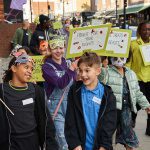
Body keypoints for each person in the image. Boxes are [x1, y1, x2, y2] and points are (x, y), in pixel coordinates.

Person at [0, 53, 58, 150]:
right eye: (26, 67)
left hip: (32, 143)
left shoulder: (36, 91)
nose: (29, 71)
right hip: (11, 144)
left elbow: (46, 121)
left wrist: (51, 145)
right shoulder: (1, 91)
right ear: (14, 68)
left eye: (31, 69)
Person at [65, 52, 117, 150]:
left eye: (87, 70)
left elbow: (110, 123)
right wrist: (75, 144)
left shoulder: (107, 95)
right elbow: (70, 120)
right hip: (79, 147)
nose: (83, 75)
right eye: (80, 70)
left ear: (98, 71)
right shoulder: (75, 91)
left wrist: (104, 146)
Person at [99, 57, 150, 150]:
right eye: (115, 58)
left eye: (121, 57)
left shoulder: (131, 73)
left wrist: (146, 105)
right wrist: (103, 66)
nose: (119, 60)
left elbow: (137, 92)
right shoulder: (106, 71)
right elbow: (100, 79)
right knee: (106, 135)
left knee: (128, 134)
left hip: (126, 109)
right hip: (111, 110)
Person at [42, 36, 77, 150]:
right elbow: (60, 84)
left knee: (72, 136)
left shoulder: (68, 63)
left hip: (70, 105)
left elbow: (76, 82)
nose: (58, 51)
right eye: (55, 48)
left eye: (61, 47)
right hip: (55, 107)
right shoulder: (46, 67)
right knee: (61, 138)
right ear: (50, 49)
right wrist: (71, 69)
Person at [126, 21, 150, 134]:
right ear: (139, 31)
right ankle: (131, 120)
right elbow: (129, 62)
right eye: (144, 29)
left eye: (149, 29)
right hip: (138, 79)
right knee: (136, 104)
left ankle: (149, 129)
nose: (147, 32)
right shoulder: (133, 44)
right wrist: (125, 73)